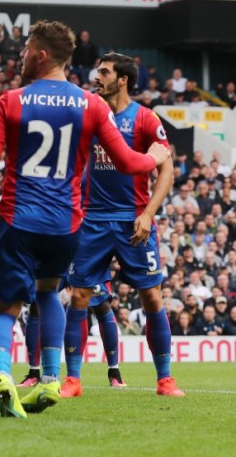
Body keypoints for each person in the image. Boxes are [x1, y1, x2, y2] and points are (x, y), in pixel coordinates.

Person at [0, 21, 170, 418]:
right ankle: (52, 379)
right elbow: (129, 162)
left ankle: (3, 375)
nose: (22, 55)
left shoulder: (10, 100)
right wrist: (155, 158)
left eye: (27, 48)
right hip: (67, 226)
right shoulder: (92, 105)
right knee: (51, 294)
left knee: (3, 310)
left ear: (42, 54)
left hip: (18, 217)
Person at [59, 52, 184, 398]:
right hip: (92, 222)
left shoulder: (144, 118)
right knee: (80, 296)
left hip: (134, 223)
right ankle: (73, 379)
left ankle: (165, 379)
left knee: (152, 299)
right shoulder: (87, 115)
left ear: (123, 79)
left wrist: (148, 214)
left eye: (104, 72)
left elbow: (167, 170)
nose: (96, 77)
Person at [19, 278, 123, 388]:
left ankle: (114, 372)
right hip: (55, 262)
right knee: (37, 302)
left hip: (81, 263)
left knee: (102, 306)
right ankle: (33, 373)